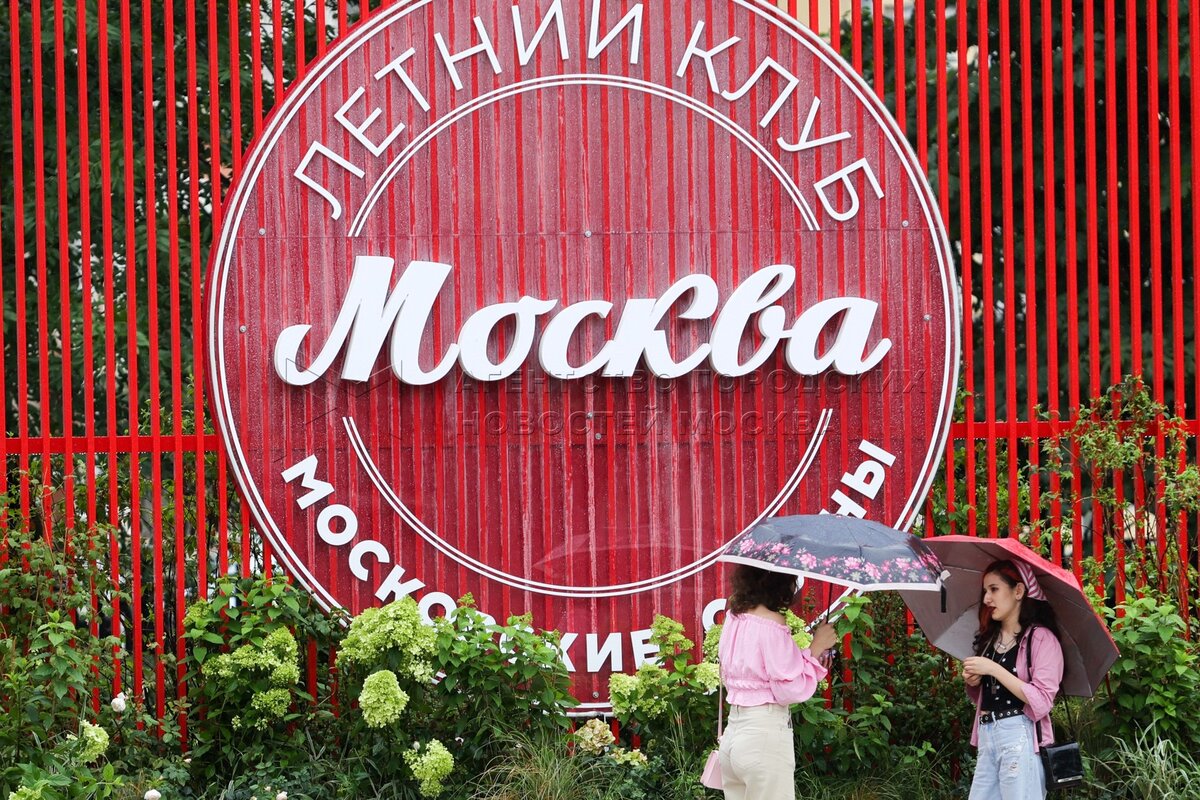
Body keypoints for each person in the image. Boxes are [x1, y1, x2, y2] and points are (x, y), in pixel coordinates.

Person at [717, 565, 838, 800]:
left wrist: (811, 653)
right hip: (763, 736)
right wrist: (816, 646)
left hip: (733, 734)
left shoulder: (734, 616)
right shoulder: (772, 623)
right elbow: (788, 688)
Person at [962, 559, 1065, 800]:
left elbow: (1042, 701)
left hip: (1019, 734)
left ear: (1018, 591)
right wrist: (974, 680)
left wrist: (994, 669)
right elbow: (987, 695)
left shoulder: (1042, 639)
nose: (987, 599)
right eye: (985, 591)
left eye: (994, 589)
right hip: (987, 733)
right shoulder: (989, 640)